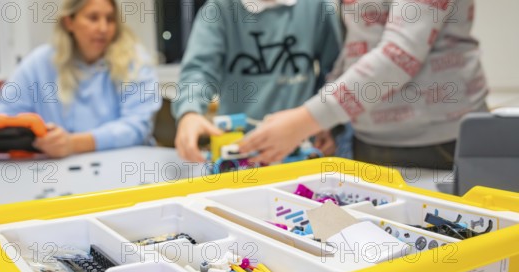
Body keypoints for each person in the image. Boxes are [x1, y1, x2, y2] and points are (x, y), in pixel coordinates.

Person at [239, 0, 488, 169]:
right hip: (370, 136)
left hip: (441, 139)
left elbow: (399, 56)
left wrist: (308, 119)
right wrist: (326, 118)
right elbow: (357, 46)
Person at [0, 0, 161, 160]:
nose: (103, 28)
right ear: (69, 22)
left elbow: (137, 127)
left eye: (110, 19)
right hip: (55, 174)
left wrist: (73, 144)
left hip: (123, 167)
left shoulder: (135, 61)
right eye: (93, 18)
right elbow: (5, 116)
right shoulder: (38, 63)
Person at [171, 0, 344, 162]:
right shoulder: (219, 8)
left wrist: (326, 123)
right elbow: (199, 69)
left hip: (301, 144)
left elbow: (335, 72)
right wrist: (189, 112)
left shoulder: (317, 6)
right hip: (238, 146)